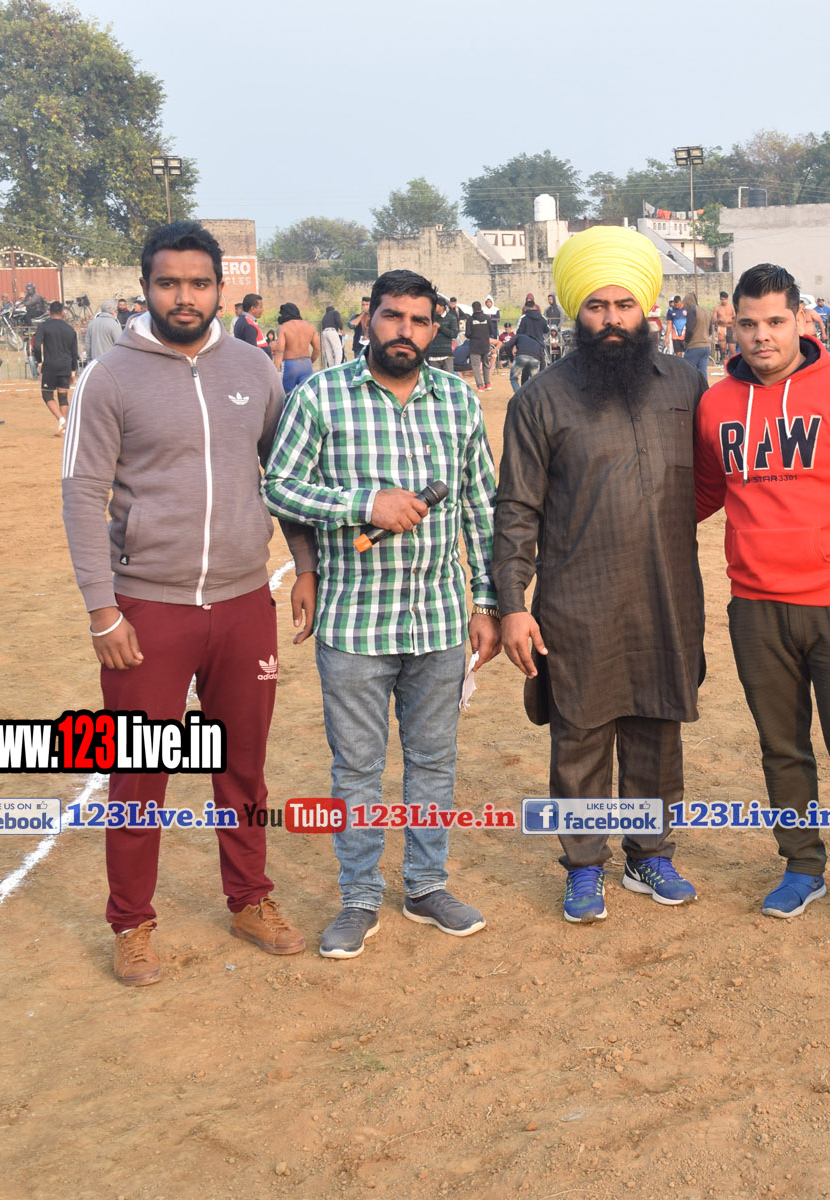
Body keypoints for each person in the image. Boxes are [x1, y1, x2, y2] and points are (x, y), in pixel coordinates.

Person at [60, 220, 318, 985]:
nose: (184, 296)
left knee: (243, 766)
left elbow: (285, 476)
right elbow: (82, 494)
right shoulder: (109, 377)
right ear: (146, 287)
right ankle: (131, 922)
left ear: (219, 289)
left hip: (243, 602)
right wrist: (102, 610)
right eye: (169, 282)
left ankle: (250, 898)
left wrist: (303, 563)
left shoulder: (255, 368)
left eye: (199, 283)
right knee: (140, 773)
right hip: (148, 608)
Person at [263, 269, 499, 959]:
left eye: (420, 321)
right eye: (393, 317)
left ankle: (426, 886)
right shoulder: (320, 396)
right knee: (358, 769)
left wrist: (488, 601)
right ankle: (359, 896)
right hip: (354, 623)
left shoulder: (457, 400)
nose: (405, 332)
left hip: (439, 620)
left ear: (435, 328)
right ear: (368, 318)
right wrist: (363, 504)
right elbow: (278, 485)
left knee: (433, 763)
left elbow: (482, 507)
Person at [493, 225, 705, 923]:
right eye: (596, 305)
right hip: (577, 600)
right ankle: (584, 865)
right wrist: (512, 604)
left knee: (657, 726)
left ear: (648, 308)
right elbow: (516, 509)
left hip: (667, 593)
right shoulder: (540, 400)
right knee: (580, 734)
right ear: (573, 310)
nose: (611, 318)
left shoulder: (686, 383)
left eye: (623, 304)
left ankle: (649, 854)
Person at [695, 263, 830, 927]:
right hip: (755, 608)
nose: (761, 336)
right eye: (748, 323)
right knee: (781, 747)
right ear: (732, 326)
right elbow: (704, 493)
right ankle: (801, 866)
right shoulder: (716, 405)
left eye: (775, 321)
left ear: (801, 321)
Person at [36, 300, 80, 436]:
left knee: (47, 394)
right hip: (66, 365)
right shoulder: (70, 329)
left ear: (49, 312)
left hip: (50, 365)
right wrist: (73, 370)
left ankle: (61, 420)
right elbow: (74, 352)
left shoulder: (43, 326)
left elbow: (36, 346)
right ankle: (64, 428)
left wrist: (39, 362)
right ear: (63, 312)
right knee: (63, 397)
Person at [272, 302, 320, 393]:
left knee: (287, 395)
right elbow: (317, 349)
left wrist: (275, 371)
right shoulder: (309, 326)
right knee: (308, 394)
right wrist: (310, 362)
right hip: (306, 364)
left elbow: (280, 351)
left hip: (290, 365)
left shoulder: (284, 327)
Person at [465, 300, 498, 391]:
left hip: (474, 346)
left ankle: (480, 386)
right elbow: (491, 331)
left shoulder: (470, 320)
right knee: (486, 365)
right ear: (480, 308)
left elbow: (467, 334)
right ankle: (487, 384)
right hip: (485, 345)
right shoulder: (487, 318)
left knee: (476, 367)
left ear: (473, 309)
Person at [682, 293, 712, 377]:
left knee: (687, 371)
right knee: (702, 372)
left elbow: (690, 330)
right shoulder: (707, 311)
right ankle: (704, 386)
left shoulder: (691, 311)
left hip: (694, 346)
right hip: (706, 346)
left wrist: (686, 342)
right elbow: (710, 331)